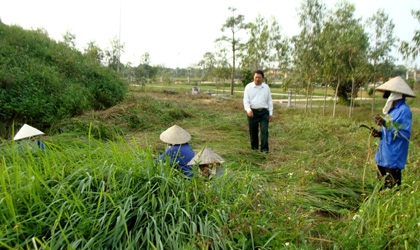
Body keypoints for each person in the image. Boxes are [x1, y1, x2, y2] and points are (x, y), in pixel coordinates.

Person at [371, 76, 416, 189]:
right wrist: (379, 134)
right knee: (380, 187)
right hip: (383, 155)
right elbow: (389, 132)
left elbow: (405, 135)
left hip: (393, 157)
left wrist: (385, 124)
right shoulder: (392, 110)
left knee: (392, 188)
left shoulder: (404, 111)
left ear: (395, 95)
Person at [243, 70, 273, 154]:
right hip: (253, 112)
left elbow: (269, 101)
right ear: (253, 77)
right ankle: (254, 149)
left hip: (264, 112)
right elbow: (246, 100)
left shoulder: (266, 87)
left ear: (262, 78)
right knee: (253, 131)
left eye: (259, 77)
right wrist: (248, 110)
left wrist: (270, 113)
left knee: (264, 130)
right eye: (256, 77)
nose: (257, 79)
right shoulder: (248, 87)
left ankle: (264, 150)